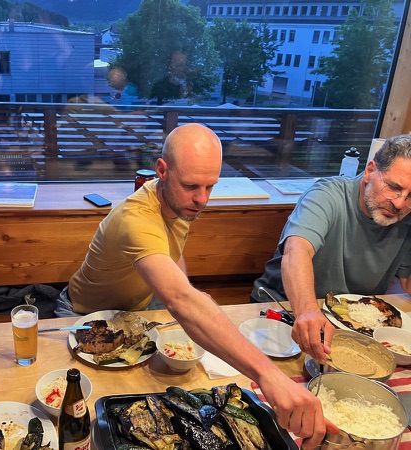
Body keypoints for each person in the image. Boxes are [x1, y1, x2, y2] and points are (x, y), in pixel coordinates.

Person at [56, 123, 336, 447]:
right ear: (162, 170)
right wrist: (269, 375)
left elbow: (172, 254)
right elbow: (179, 300)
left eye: (210, 186)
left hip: (134, 313)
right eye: (191, 186)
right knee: (94, 411)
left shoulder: (175, 200)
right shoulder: (136, 218)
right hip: (84, 319)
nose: (201, 199)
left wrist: (188, 289)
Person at [251, 134, 411, 364]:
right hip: (285, 312)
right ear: (370, 171)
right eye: (393, 187)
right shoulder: (327, 195)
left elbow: (407, 283)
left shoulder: (407, 217)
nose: (399, 203)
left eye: (410, 196)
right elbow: (296, 251)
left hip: (356, 329)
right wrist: (307, 311)